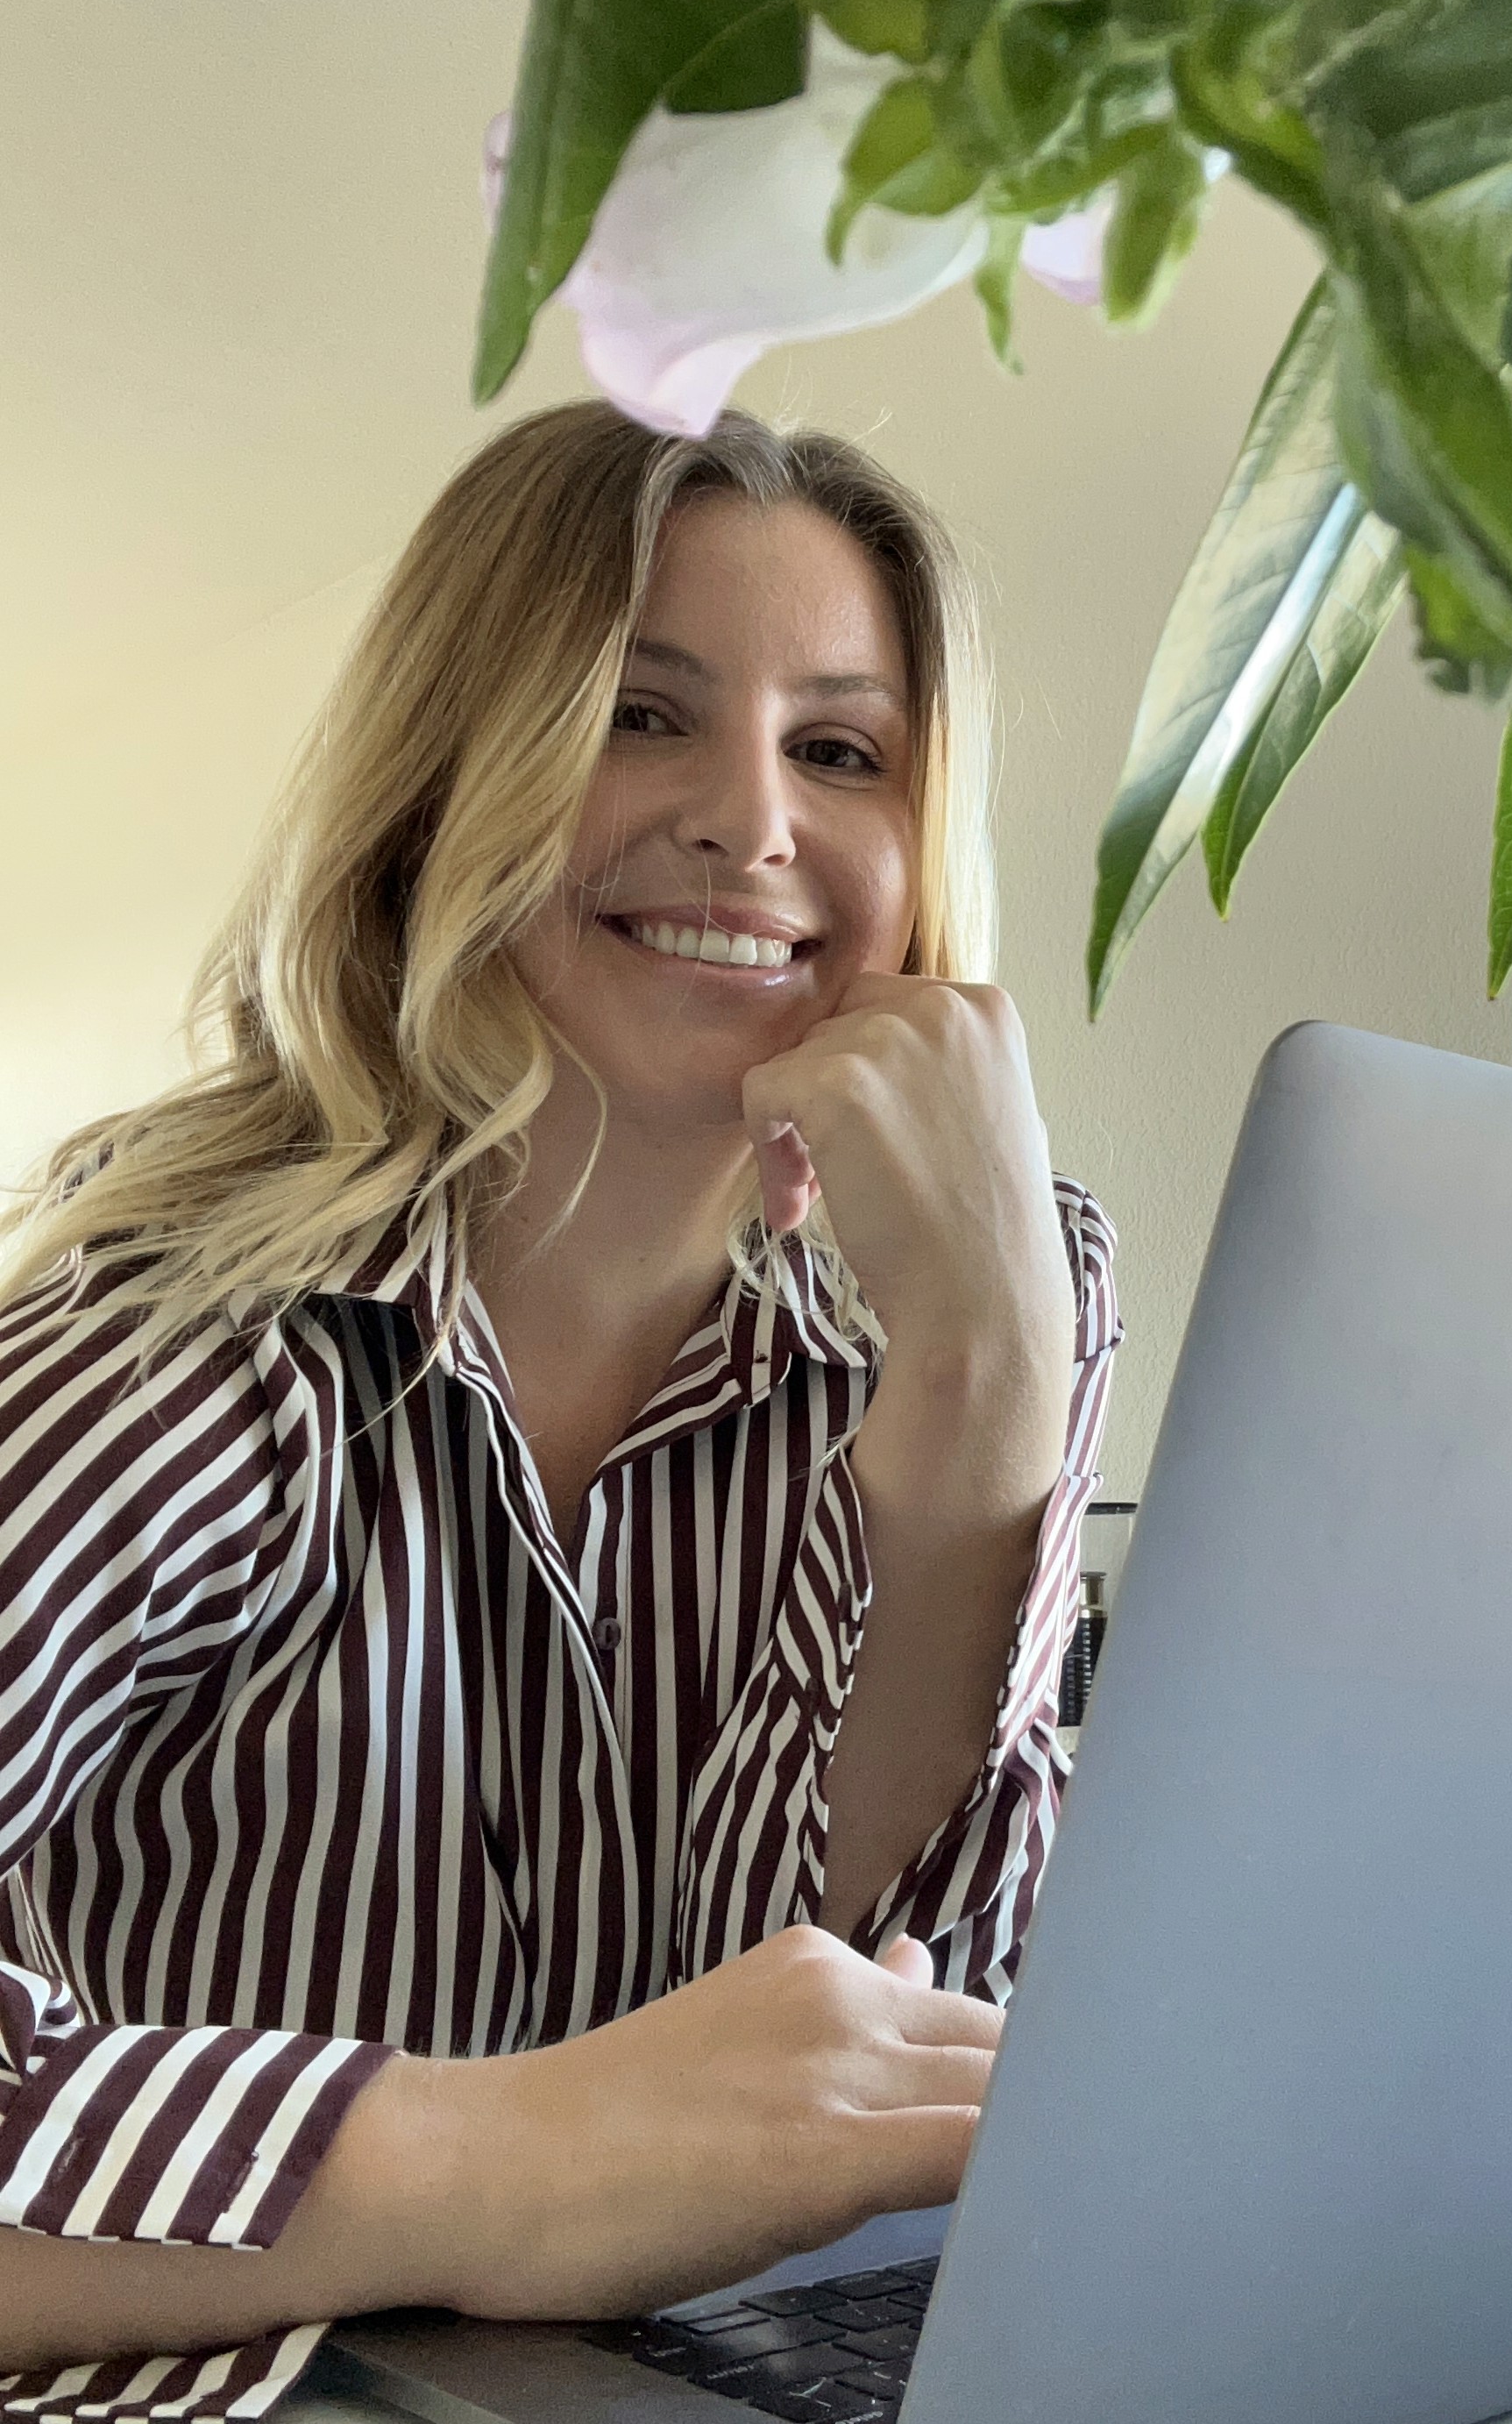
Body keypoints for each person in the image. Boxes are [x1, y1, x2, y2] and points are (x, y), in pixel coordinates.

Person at [0, 403, 1120, 2423]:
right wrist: (509, 2163)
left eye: (841, 750)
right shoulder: (172, 1339)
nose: (753, 823)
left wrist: (986, 1390)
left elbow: (896, 2058)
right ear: (451, 782)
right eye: (641, 712)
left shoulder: (995, 1301)